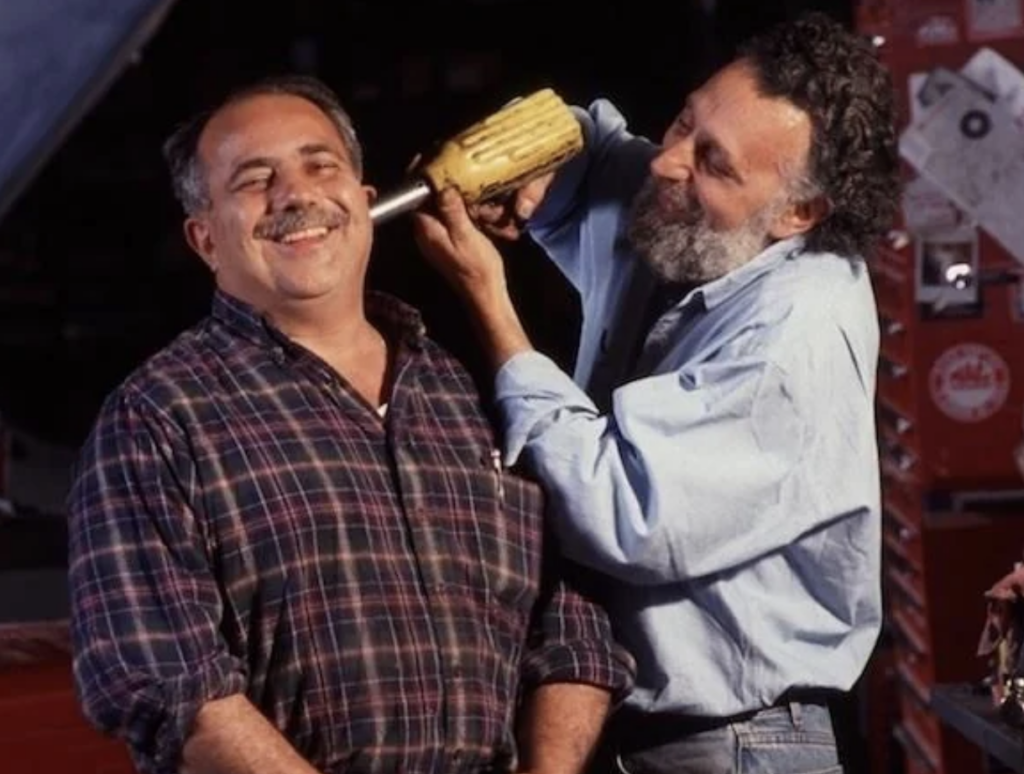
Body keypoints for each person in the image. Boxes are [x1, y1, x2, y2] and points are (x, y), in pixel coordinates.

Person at [65, 74, 635, 774]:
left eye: (320, 165)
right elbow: (170, 689)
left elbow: (574, 628)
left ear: (364, 203)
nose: (296, 195)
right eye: (253, 179)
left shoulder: (475, 398)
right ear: (204, 238)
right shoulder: (156, 421)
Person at [411, 11, 900, 774]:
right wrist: (534, 155)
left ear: (798, 214)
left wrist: (490, 304)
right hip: (632, 735)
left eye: (713, 161)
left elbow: (617, 509)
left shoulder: (793, 343)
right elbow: (597, 151)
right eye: (683, 119)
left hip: (737, 746)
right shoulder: (690, 212)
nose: (667, 162)